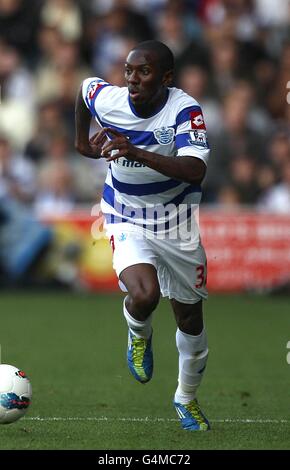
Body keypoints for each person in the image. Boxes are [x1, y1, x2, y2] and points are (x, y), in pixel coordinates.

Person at [75, 40, 210, 431]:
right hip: (125, 214)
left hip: (178, 222)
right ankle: (139, 333)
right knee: (145, 294)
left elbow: (194, 170)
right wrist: (81, 142)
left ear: (166, 78)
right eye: (129, 71)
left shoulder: (185, 111)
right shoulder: (111, 100)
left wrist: (134, 151)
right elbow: (84, 90)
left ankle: (185, 399)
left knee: (191, 321)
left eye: (144, 72)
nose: (133, 79)